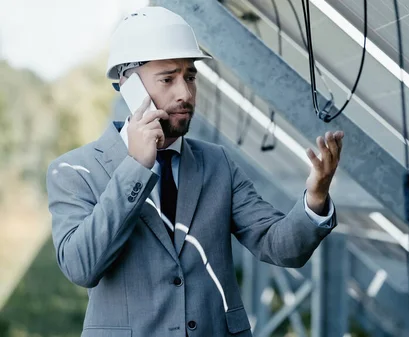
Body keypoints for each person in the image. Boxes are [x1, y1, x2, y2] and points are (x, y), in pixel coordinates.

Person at [46, 6, 344, 337]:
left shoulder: (218, 164)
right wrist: (135, 168)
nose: (185, 94)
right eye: (168, 79)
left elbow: (281, 248)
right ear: (129, 84)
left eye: (190, 77)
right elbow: (81, 266)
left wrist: (316, 198)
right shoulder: (74, 170)